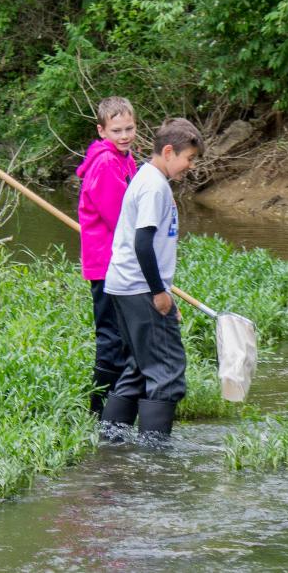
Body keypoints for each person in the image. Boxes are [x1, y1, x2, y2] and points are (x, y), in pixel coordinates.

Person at [101, 117, 204, 436]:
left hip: (126, 287)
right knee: (167, 371)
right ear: (170, 151)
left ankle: (111, 440)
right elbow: (143, 243)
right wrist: (159, 293)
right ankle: (155, 459)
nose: (190, 166)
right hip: (139, 289)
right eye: (189, 158)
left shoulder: (151, 181)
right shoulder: (153, 186)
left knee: (137, 368)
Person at [76, 96, 137, 417]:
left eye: (129, 128)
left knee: (123, 335)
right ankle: (98, 410)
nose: (124, 135)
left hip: (119, 261)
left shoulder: (125, 158)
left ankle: (118, 403)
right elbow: (120, 217)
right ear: (102, 131)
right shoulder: (105, 164)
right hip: (106, 265)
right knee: (111, 335)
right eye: (116, 130)